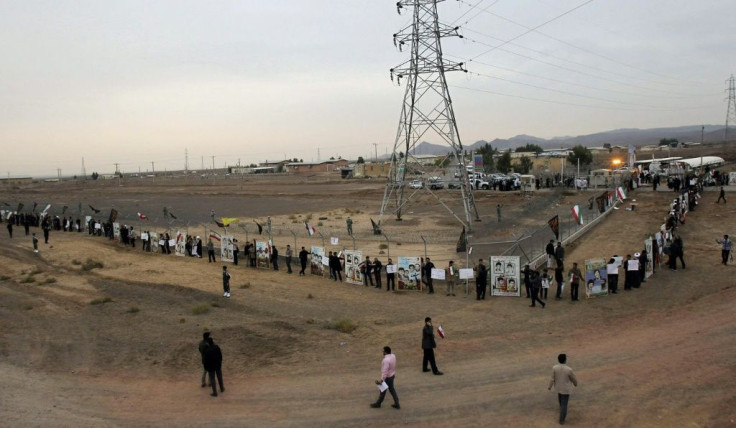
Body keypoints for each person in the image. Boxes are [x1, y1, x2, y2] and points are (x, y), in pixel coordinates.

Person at [548, 353, 578, 425]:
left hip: (558, 388)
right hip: (566, 389)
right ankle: (561, 419)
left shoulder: (554, 368)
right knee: (564, 404)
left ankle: (561, 412)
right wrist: (575, 383)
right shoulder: (569, 369)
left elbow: (552, 379)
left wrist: (549, 386)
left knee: (561, 402)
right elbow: (573, 378)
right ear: (565, 360)